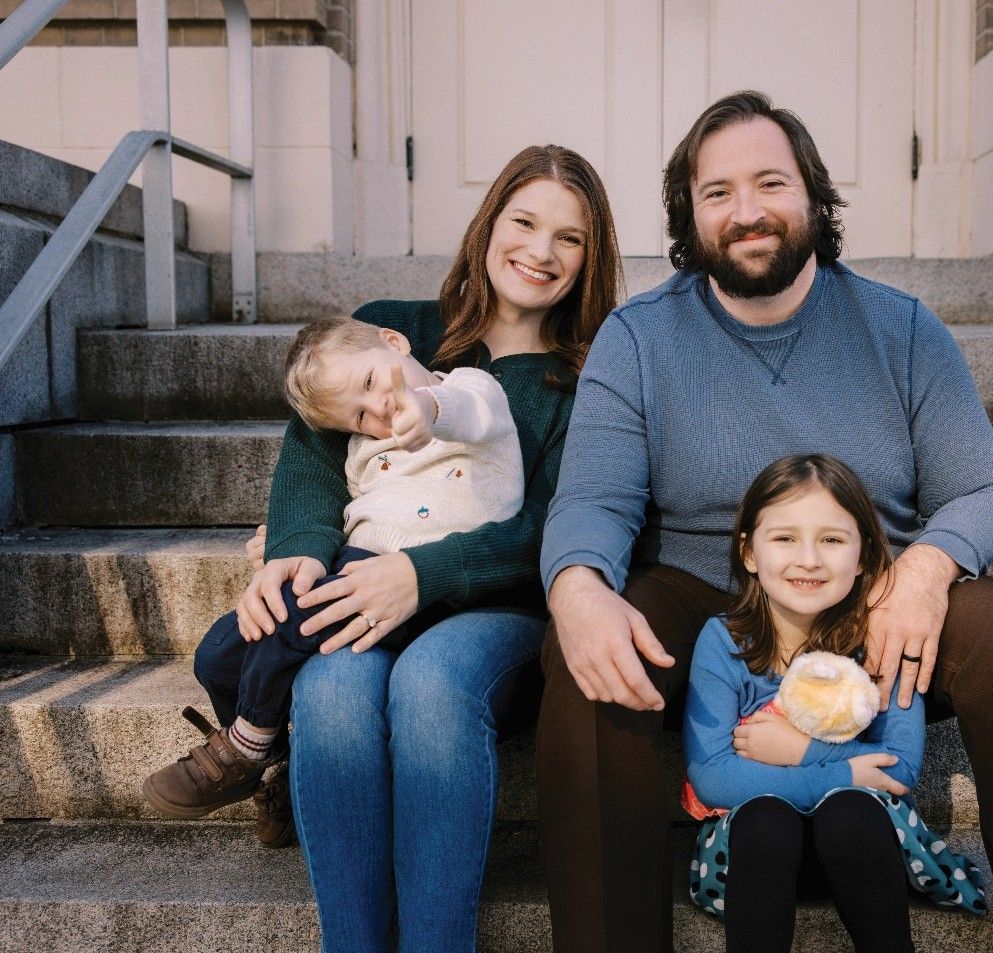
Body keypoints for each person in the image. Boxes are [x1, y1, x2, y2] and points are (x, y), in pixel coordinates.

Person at [537, 91, 993, 952]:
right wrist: (577, 587)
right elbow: (591, 500)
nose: (747, 213)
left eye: (770, 183)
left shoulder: (902, 328)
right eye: (717, 192)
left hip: (871, 596)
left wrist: (925, 571)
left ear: (813, 194)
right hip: (710, 596)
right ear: (687, 213)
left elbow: (985, 491)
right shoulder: (639, 338)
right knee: (587, 651)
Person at [199, 144, 623, 953]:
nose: (540, 251)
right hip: (366, 581)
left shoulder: (588, 376)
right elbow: (316, 452)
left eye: (568, 238)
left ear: (591, 255)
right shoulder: (399, 331)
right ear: (488, 223)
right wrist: (295, 549)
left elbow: (562, 523)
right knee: (329, 686)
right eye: (524, 222)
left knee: (428, 687)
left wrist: (423, 575)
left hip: (501, 605)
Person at [142, 316, 524, 820]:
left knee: (296, 619)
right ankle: (284, 765)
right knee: (216, 656)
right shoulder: (365, 450)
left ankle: (247, 745)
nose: (379, 411)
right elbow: (356, 514)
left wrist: (428, 408)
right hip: (355, 566)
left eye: (370, 383)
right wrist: (282, 548)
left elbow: (473, 411)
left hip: (427, 587)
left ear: (395, 339)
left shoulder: (469, 388)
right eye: (360, 416)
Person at [684, 454, 986, 953]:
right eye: (784, 538)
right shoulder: (723, 642)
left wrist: (799, 750)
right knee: (766, 819)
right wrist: (840, 769)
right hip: (751, 861)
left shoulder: (883, 639)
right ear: (750, 553)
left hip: (862, 850)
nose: (809, 559)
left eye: (832, 539)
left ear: (864, 552)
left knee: (850, 810)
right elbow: (711, 775)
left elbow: (897, 769)